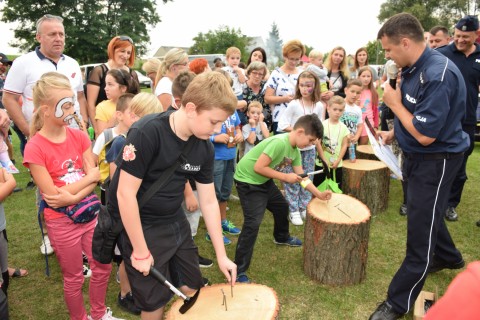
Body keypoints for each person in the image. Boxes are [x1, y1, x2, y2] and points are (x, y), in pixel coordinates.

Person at [107, 72, 237, 319]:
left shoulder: (204, 147)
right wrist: (141, 251)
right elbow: (125, 194)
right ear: (190, 108)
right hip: (141, 225)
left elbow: (208, 201)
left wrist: (222, 256)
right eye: (213, 121)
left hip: (174, 222)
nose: (218, 129)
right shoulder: (147, 132)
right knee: (154, 303)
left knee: (191, 286)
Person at [369, 13, 469, 320]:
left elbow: (425, 134)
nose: (386, 56)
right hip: (416, 157)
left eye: (388, 50)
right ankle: (450, 257)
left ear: (405, 42)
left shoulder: (438, 74)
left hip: (435, 161)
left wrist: (394, 103)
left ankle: (397, 302)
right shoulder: (411, 67)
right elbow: (415, 115)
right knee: (424, 212)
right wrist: (393, 131)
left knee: (419, 234)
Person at [23, 72, 121, 320]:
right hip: (61, 223)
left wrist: (73, 194)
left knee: (102, 266)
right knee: (74, 276)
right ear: (45, 110)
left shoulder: (78, 135)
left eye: (71, 103)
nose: (70, 109)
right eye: (64, 105)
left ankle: (98, 314)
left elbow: (95, 177)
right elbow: (53, 195)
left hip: (90, 215)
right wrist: (87, 180)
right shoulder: (35, 147)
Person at [2, 13, 88, 255]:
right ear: (39, 37)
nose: (58, 38)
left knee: (75, 177)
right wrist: (28, 131)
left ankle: (80, 222)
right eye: (52, 34)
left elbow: (79, 97)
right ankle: (50, 235)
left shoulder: (72, 63)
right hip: (42, 139)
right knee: (46, 188)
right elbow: (8, 97)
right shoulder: (23, 62)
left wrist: (84, 124)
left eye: (61, 34)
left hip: (73, 137)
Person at [233, 114, 332, 283]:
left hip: (263, 181)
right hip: (248, 181)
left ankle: (281, 237)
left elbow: (303, 177)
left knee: (281, 207)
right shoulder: (279, 143)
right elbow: (258, 167)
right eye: (310, 140)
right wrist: (285, 177)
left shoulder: (295, 151)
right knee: (253, 223)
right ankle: (238, 269)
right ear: (300, 132)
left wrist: (319, 194)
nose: (310, 144)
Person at [437, 16, 480, 223]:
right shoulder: (441, 54)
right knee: (437, 163)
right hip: (442, 120)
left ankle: (451, 204)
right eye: (457, 35)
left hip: (467, 121)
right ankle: (435, 200)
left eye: (466, 36)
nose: (460, 40)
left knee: (460, 167)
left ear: (476, 35)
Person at [278, 70, 325, 224]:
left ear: (315, 86)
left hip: (310, 150)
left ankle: (304, 206)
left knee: (307, 177)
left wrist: (318, 149)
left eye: (308, 86)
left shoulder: (319, 106)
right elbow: (282, 124)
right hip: (294, 149)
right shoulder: (293, 104)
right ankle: (293, 209)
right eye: (302, 85)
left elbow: (319, 129)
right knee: (293, 178)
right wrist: (300, 134)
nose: (305, 89)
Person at [207, 73, 243, 245]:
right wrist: (215, 138)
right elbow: (202, 133)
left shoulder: (232, 109)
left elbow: (237, 127)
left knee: (225, 192)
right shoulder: (210, 107)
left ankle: (222, 222)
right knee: (213, 194)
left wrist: (239, 134)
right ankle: (211, 230)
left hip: (230, 156)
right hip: (216, 157)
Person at [87, 35, 138, 137]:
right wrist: (97, 131)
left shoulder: (132, 74)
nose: (126, 55)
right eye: (122, 51)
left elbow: (137, 101)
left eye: (128, 52)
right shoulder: (99, 71)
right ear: (113, 50)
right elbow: (90, 104)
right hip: (104, 124)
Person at [264, 39, 305, 134]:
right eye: (291, 58)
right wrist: (285, 98)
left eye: (297, 59)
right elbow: (267, 98)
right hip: (280, 119)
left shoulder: (303, 73)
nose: (294, 62)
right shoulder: (276, 74)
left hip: (299, 118)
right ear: (285, 56)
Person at [317, 96, 350, 190]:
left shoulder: (344, 128)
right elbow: (318, 143)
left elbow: (344, 145)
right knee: (319, 187)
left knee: (335, 187)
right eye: (335, 109)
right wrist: (324, 160)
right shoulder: (322, 125)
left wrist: (338, 160)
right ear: (328, 108)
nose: (337, 112)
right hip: (321, 164)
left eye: (340, 110)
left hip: (336, 164)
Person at [94, 69, 139, 135]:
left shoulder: (136, 104)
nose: (105, 88)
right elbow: (102, 135)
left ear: (123, 88)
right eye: (106, 84)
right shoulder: (102, 106)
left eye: (110, 84)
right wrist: (115, 116)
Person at [340, 79, 364, 159]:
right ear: (346, 90)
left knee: (350, 163)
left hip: (351, 144)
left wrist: (356, 137)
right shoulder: (339, 105)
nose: (354, 95)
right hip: (339, 142)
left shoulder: (358, 109)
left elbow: (360, 125)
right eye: (352, 91)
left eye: (358, 93)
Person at [357, 66, 379, 145]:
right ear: (359, 77)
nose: (366, 79)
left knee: (362, 146)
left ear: (371, 78)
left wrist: (376, 126)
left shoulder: (374, 93)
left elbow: (376, 111)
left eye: (368, 76)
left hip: (368, 122)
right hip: (355, 121)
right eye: (363, 76)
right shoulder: (355, 91)